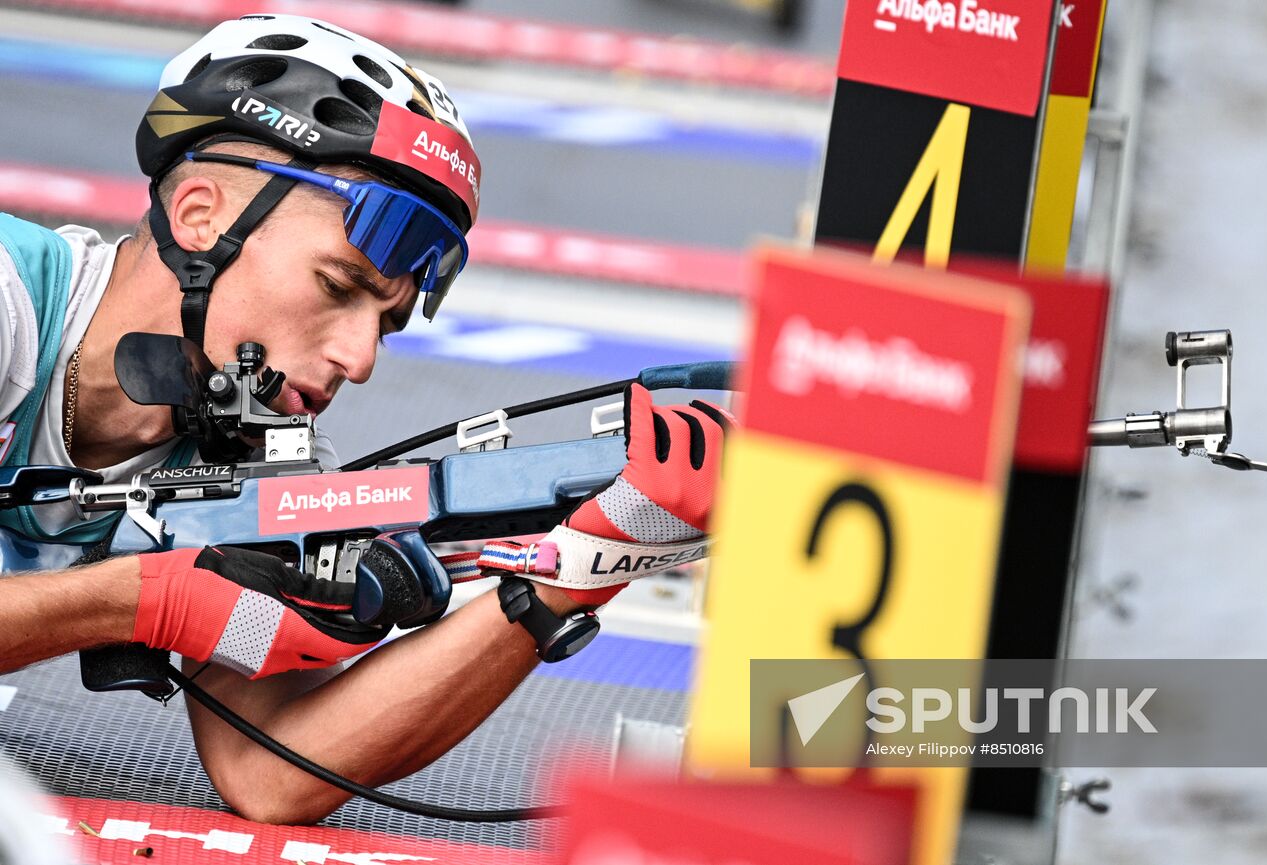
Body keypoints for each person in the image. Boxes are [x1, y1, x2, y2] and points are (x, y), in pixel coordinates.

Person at [0, 14, 729, 824]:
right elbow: (146, 600)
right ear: (200, 216)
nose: (361, 358)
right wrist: (137, 601)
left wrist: (582, 565)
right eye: (339, 285)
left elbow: (274, 771)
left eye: (386, 321)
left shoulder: (252, 462)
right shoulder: (7, 303)